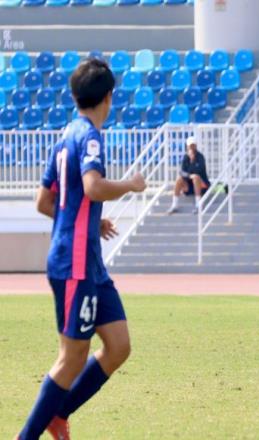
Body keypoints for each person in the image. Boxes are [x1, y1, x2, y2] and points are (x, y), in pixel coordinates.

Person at [16, 58, 147, 439]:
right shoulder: (89, 136)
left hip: (90, 263)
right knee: (71, 357)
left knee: (118, 345)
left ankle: (59, 414)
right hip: (74, 264)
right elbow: (92, 186)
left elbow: (45, 201)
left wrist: (90, 220)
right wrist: (130, 185)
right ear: (108, 97)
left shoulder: (66, 136)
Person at [167, 136, 210, 215]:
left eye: (193, 145)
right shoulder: (185, 157)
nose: (192, 148)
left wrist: (192, 161)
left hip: (201, 185)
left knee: (196, 177)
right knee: (179, 179)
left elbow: (199, 170)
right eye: (190, 146)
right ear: (187, 147)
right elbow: (182, 171)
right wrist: (189, 175)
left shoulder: (200, 157)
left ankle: (198, 205)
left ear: (196, 146)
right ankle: (174, 205)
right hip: (189, 185)